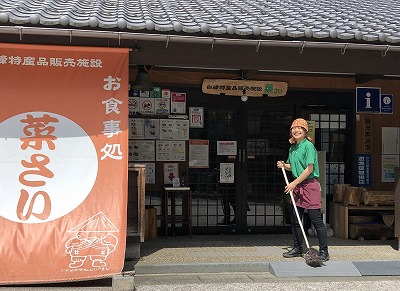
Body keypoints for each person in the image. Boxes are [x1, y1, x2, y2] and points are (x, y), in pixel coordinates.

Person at [276, 118, 329, 262]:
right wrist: (283, 165)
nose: (296, 130)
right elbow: (293, 166)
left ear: (305, 131)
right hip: (297, 185)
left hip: (310, 185)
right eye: (294, 128)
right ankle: (297, 248)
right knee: (296, 219)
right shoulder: (292, 148)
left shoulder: (308, 146)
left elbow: (309, 169)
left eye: (300, 128)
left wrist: (293, 183)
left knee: (316, 219)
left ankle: (324, 251)